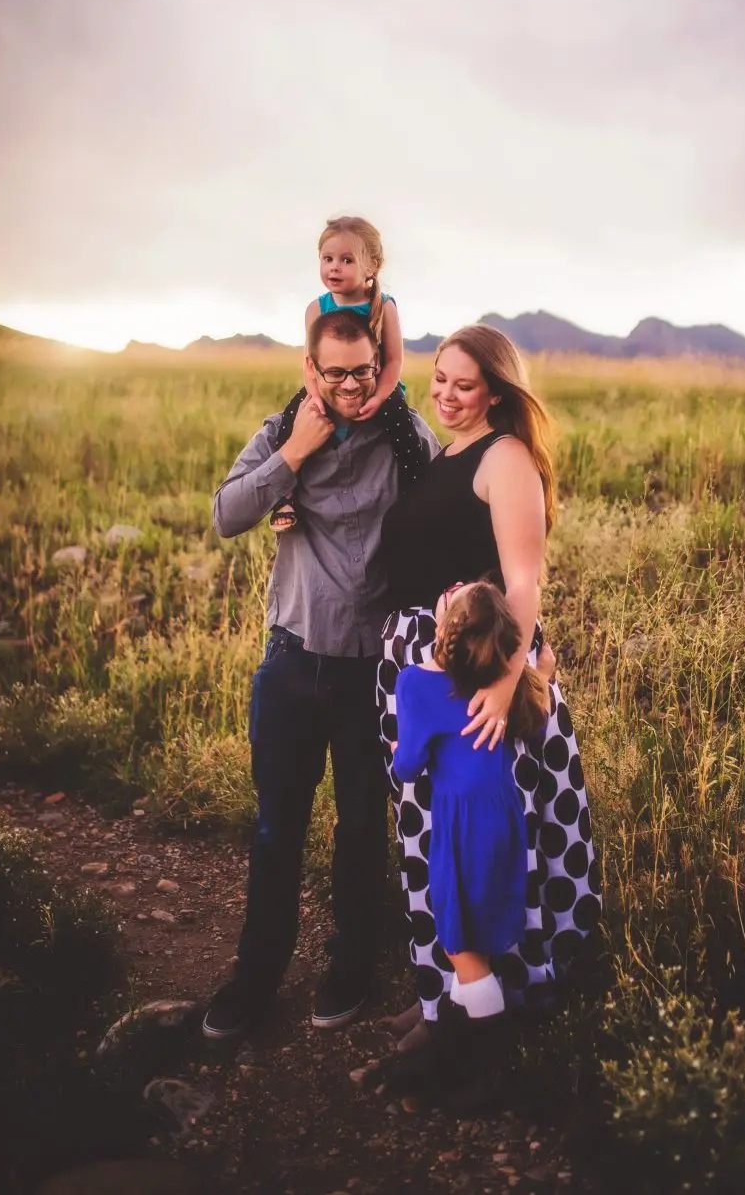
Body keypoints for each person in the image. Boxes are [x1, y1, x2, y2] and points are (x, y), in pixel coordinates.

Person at [202, 308, 438, 1041]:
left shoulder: (404, 440)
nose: (347, 385)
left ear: (381, 365)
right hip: (292, 661)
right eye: (332, 372)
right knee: (277, 829)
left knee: (362, 826)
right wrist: (294, 457)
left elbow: (452, 512)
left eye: (362, 371)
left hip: (372, 669)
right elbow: (224, 514)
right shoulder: (282, 430)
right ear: (311, 369)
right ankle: (256, 976)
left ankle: (352, 966)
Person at [378, 324, 602, 1042]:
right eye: (438, 378)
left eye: (463, 385)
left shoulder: (503, 458)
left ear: (496, 392)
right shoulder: (447, 454)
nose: (445, 395)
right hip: (426, 665)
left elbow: (523, 582)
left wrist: (506, 684)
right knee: (430, 835)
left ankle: (511, 1010)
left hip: (477, 671)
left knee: (492, 841)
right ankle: (448, 987)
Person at [391, 580, 549, 1083]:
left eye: (461, 592)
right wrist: (540, 672)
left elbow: (409, 767)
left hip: (461, 825)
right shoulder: (503, 676)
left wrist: (401, 749)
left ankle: (488, 1073)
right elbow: (536, 715)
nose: (455, 584)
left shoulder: (417, 681)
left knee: (459, 942)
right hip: (504, 816)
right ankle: (454, 1051)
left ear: (447, 626)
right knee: (475, 939)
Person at [269, 215, 423, 532]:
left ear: (372, 266)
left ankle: (416, 494)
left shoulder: (383, 306)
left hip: (377, 385)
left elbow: (393, 361)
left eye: (346, 260)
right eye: (327, 259)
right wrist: (315, 397)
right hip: (325, 386)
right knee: (289, 420)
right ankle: (284, 496)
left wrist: (380, 396)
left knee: (404, 432)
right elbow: (309, 362)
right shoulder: (317, 308)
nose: (334, 267)